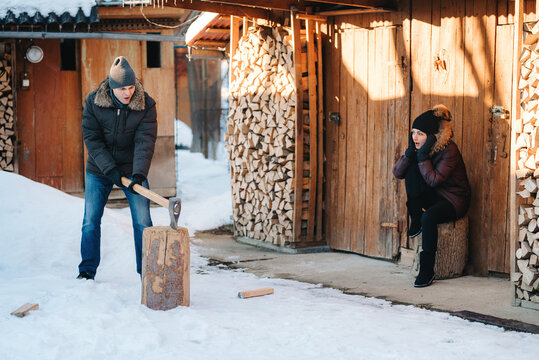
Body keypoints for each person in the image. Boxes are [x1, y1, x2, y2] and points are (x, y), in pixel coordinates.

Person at [77, 56, 157, 280]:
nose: (127, 93)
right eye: (122, 88)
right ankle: (86, 272)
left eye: (131, 87)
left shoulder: (145, 104)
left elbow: (145, 141)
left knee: (143, 222)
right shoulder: (94, 102)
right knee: (90, 221)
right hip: (99, 169)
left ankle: (147, 273)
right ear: (112, 87)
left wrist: (139, 174)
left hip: (133, 168)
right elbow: (92, 139)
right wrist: (109, 169)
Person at [392, 104, 470, 288]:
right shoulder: (420, 148)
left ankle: (427, 271)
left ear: (432, 136)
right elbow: (397, 173)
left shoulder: (449, 150)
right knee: (410, 170)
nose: (415, 137)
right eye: (413, 133)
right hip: (436, 194)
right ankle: (416, 218)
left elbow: (434, 180)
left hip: (454, 200)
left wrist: (422, 156)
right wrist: (410, 154)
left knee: (429, 217)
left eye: (420, 133)